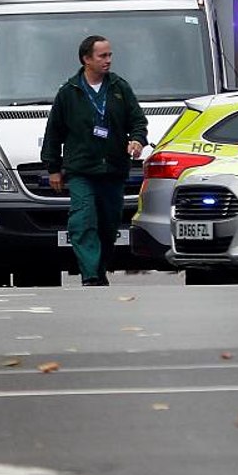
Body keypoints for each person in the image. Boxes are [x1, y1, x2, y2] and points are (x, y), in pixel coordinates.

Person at [42, 35, 148, 286]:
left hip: (113, 170)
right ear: (86, 59)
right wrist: (53, 168)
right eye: (102, 56)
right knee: (83, 219)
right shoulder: (69, 93)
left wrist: (137, 140)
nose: (108, 60)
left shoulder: (120, 88)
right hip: (82, 171)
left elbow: (137, 121)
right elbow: (54, 132)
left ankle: (98, 270)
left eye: (110, 55)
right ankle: (89, 274)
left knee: (108, 226)